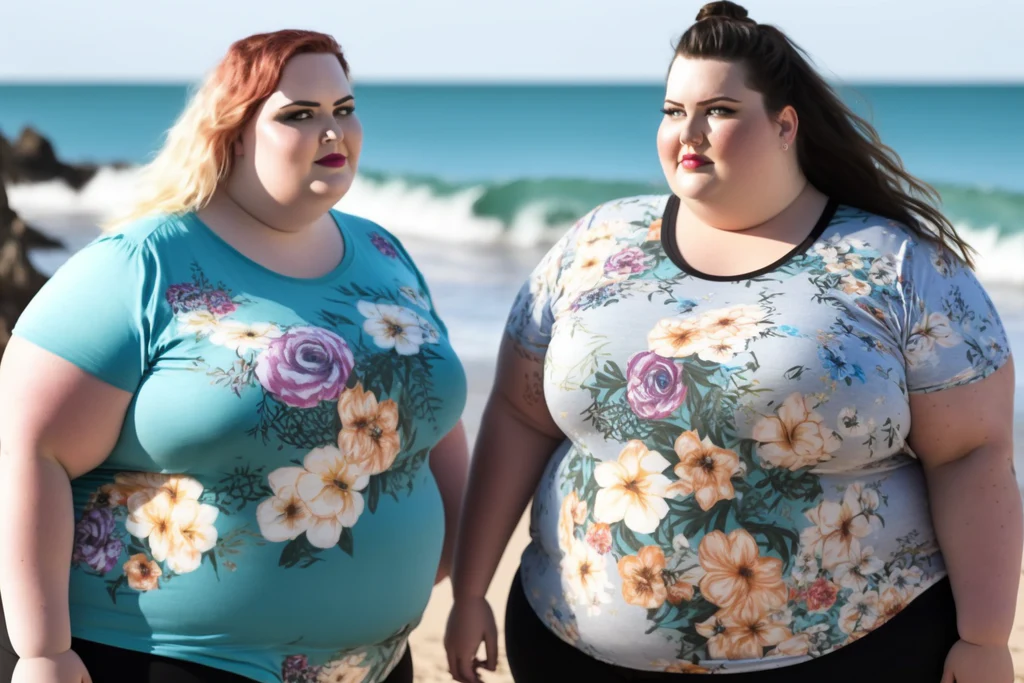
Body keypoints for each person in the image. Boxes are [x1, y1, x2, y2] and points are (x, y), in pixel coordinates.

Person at [444, 3, 1019, 682]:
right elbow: (519, 416)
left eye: (718, 109)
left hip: (843, 654)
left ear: (784, 124)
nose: (687, 133)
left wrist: (984, 634)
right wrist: (470, 587)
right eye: (670, 109)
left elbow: (971, 453)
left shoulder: (896, 264)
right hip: (570, 645)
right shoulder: (596, 243)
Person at [0, 29, 469, 683]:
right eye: (299, 115)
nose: (333, 132)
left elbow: (431, 419)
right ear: (233, 133)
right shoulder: (141, 264)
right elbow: (30, 445)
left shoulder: (385, 254)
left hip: (379, 663)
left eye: (344, 108)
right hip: (176, 662)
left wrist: (465, 577)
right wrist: (42, 649)